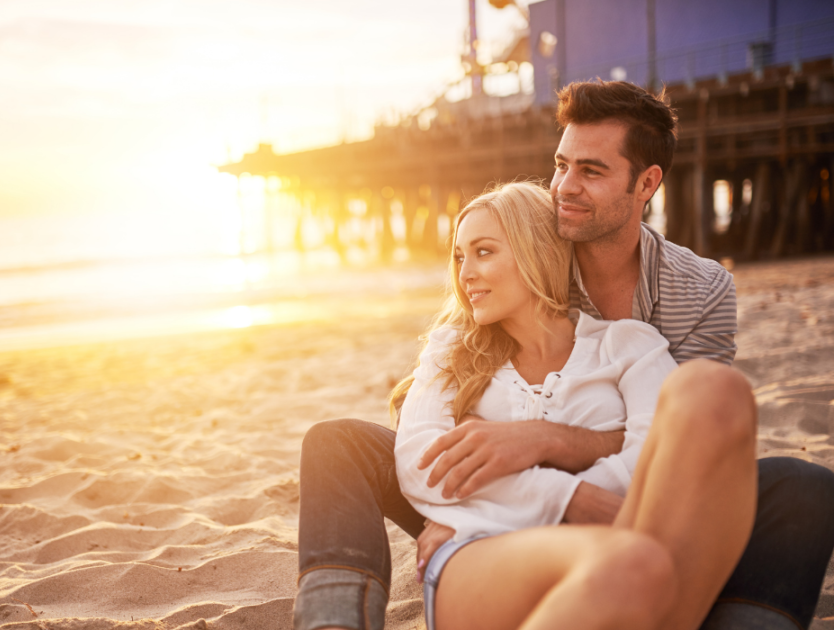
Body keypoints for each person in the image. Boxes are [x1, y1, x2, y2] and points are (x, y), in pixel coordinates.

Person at [294, 81, 834, 630]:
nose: (564, 189)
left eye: (591, 171)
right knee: (339, 443)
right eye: (560, 165)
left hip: (624, 498)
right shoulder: (516, 266)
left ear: (646, 183)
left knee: (802, 487)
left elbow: (692, 442)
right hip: (486, 489)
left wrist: (545, 442)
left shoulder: (691, 297)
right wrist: (469, 508)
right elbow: (429, 424)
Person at [393, 180, 756, 630]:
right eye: (459, 256)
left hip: (621, 537)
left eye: (483, 252)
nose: (464, 272)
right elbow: (420, 462)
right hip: (485, 551)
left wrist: (546, 476)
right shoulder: (452, 349)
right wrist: (568, 498)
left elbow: (656, 455)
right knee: (633, 562)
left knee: (715, 389)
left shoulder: (627, 344)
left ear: (536, 251)